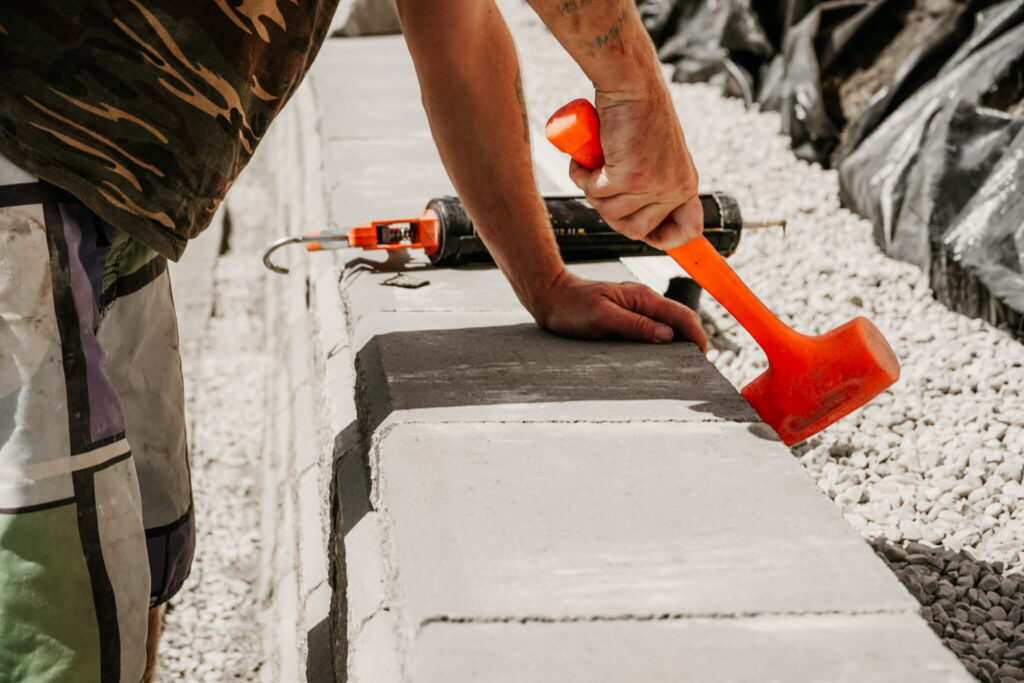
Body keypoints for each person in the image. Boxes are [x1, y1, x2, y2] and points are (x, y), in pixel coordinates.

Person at [0, 0, 705, 680]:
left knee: (125, 566)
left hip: (109, 185)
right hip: (23, 154)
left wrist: (545, 281)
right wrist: (632, 87)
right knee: (47, 609)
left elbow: (453, 26)